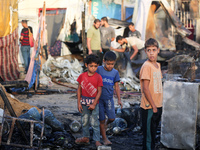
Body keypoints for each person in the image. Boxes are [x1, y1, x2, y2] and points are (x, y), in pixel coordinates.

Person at [140, 38, 163, 150]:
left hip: (157, 105)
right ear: (145, 51)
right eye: (149, 50)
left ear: (158, 50)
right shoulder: (146, 66)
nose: (151, 53)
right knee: (148, 136)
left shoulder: (158, 66)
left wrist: (158, 105)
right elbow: (145, 88)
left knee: (153, 133)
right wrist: (153, 106)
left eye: (154, 50)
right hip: (149, 107)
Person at [75, 54, 103, 147]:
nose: (93, 68)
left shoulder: (98, 77)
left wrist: (94, 104)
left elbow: (99, 92)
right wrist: (78, 103)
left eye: (95, 66)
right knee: (85, 121)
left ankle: (97, 140)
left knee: (95, 122)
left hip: (94, 103)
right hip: (84, 103)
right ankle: (86, 137)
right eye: (91, 66)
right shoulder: (82, 76)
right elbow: (79, 90)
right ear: (86, 65)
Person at [96, 51, 123, 145]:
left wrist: (119, 99)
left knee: (112, 118)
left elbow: (117, 87)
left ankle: (105, 126)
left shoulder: (115, 73)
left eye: (112, 64)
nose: (110, 66)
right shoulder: (98, 69)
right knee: (101, 119)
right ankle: (104, 138)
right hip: (99, 99)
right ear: (103, 61)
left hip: (109, 99)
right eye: (108, 64)